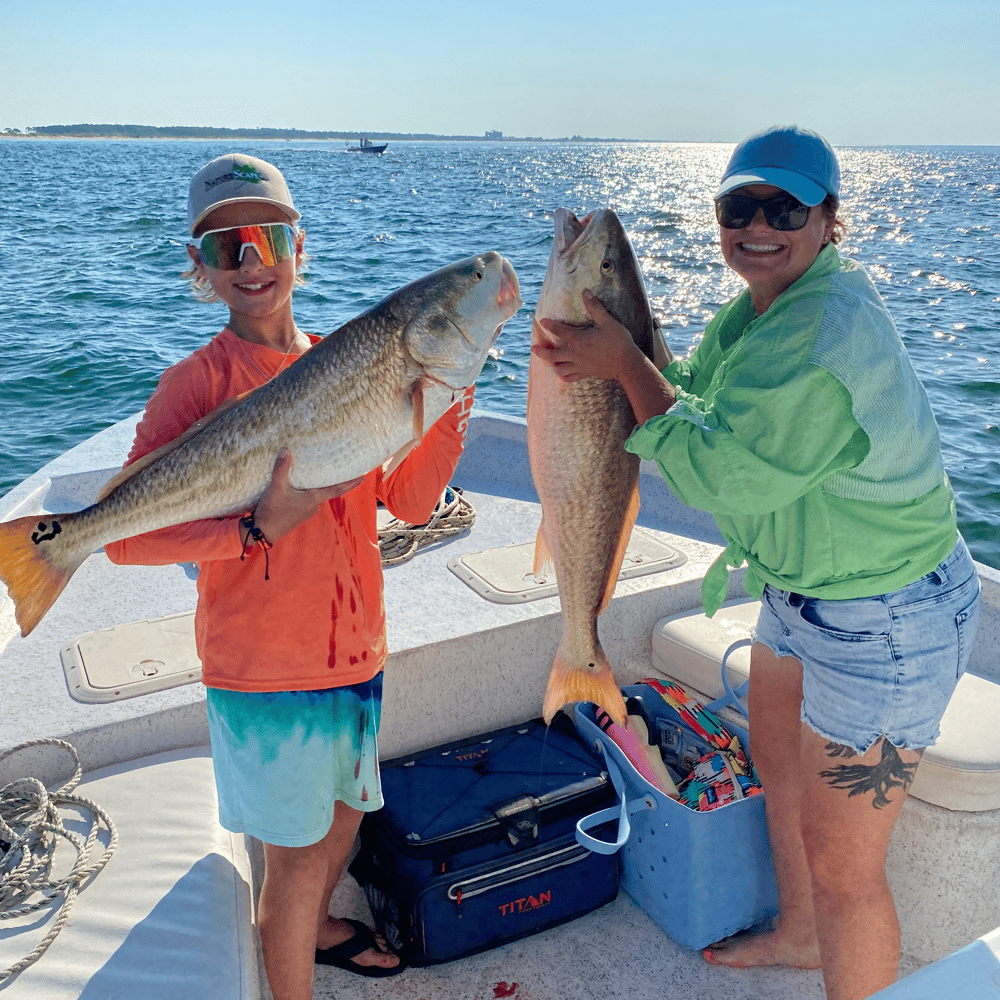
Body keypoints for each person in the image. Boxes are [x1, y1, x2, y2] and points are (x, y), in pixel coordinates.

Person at [533, 125, 981, 1000]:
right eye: (740, 206)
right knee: (776, 762)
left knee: (847, 867)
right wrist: (635, 352)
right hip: (801, 594)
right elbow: (698, 396)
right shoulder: (766, 301)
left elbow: (716, 469)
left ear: (828, 219)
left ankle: (835, 939)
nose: (759, 225)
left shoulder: (820, 332)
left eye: (786, 206)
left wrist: (623, 360)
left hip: (886, 621)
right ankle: (802, 934)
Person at [104, 153, 474, 999]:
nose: (249, 262)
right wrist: (251, 529)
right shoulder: (193, 385)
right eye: (222, 248)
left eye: (265, 237)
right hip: (264, 673)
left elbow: (412, 503)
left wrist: (449, 399)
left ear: (298, 247)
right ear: (200, 270)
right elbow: (122, 540)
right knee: (298, 860)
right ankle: (292, 951)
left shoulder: (352, 363)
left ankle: (310, 928)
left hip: (355, 655)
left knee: (342, 825)